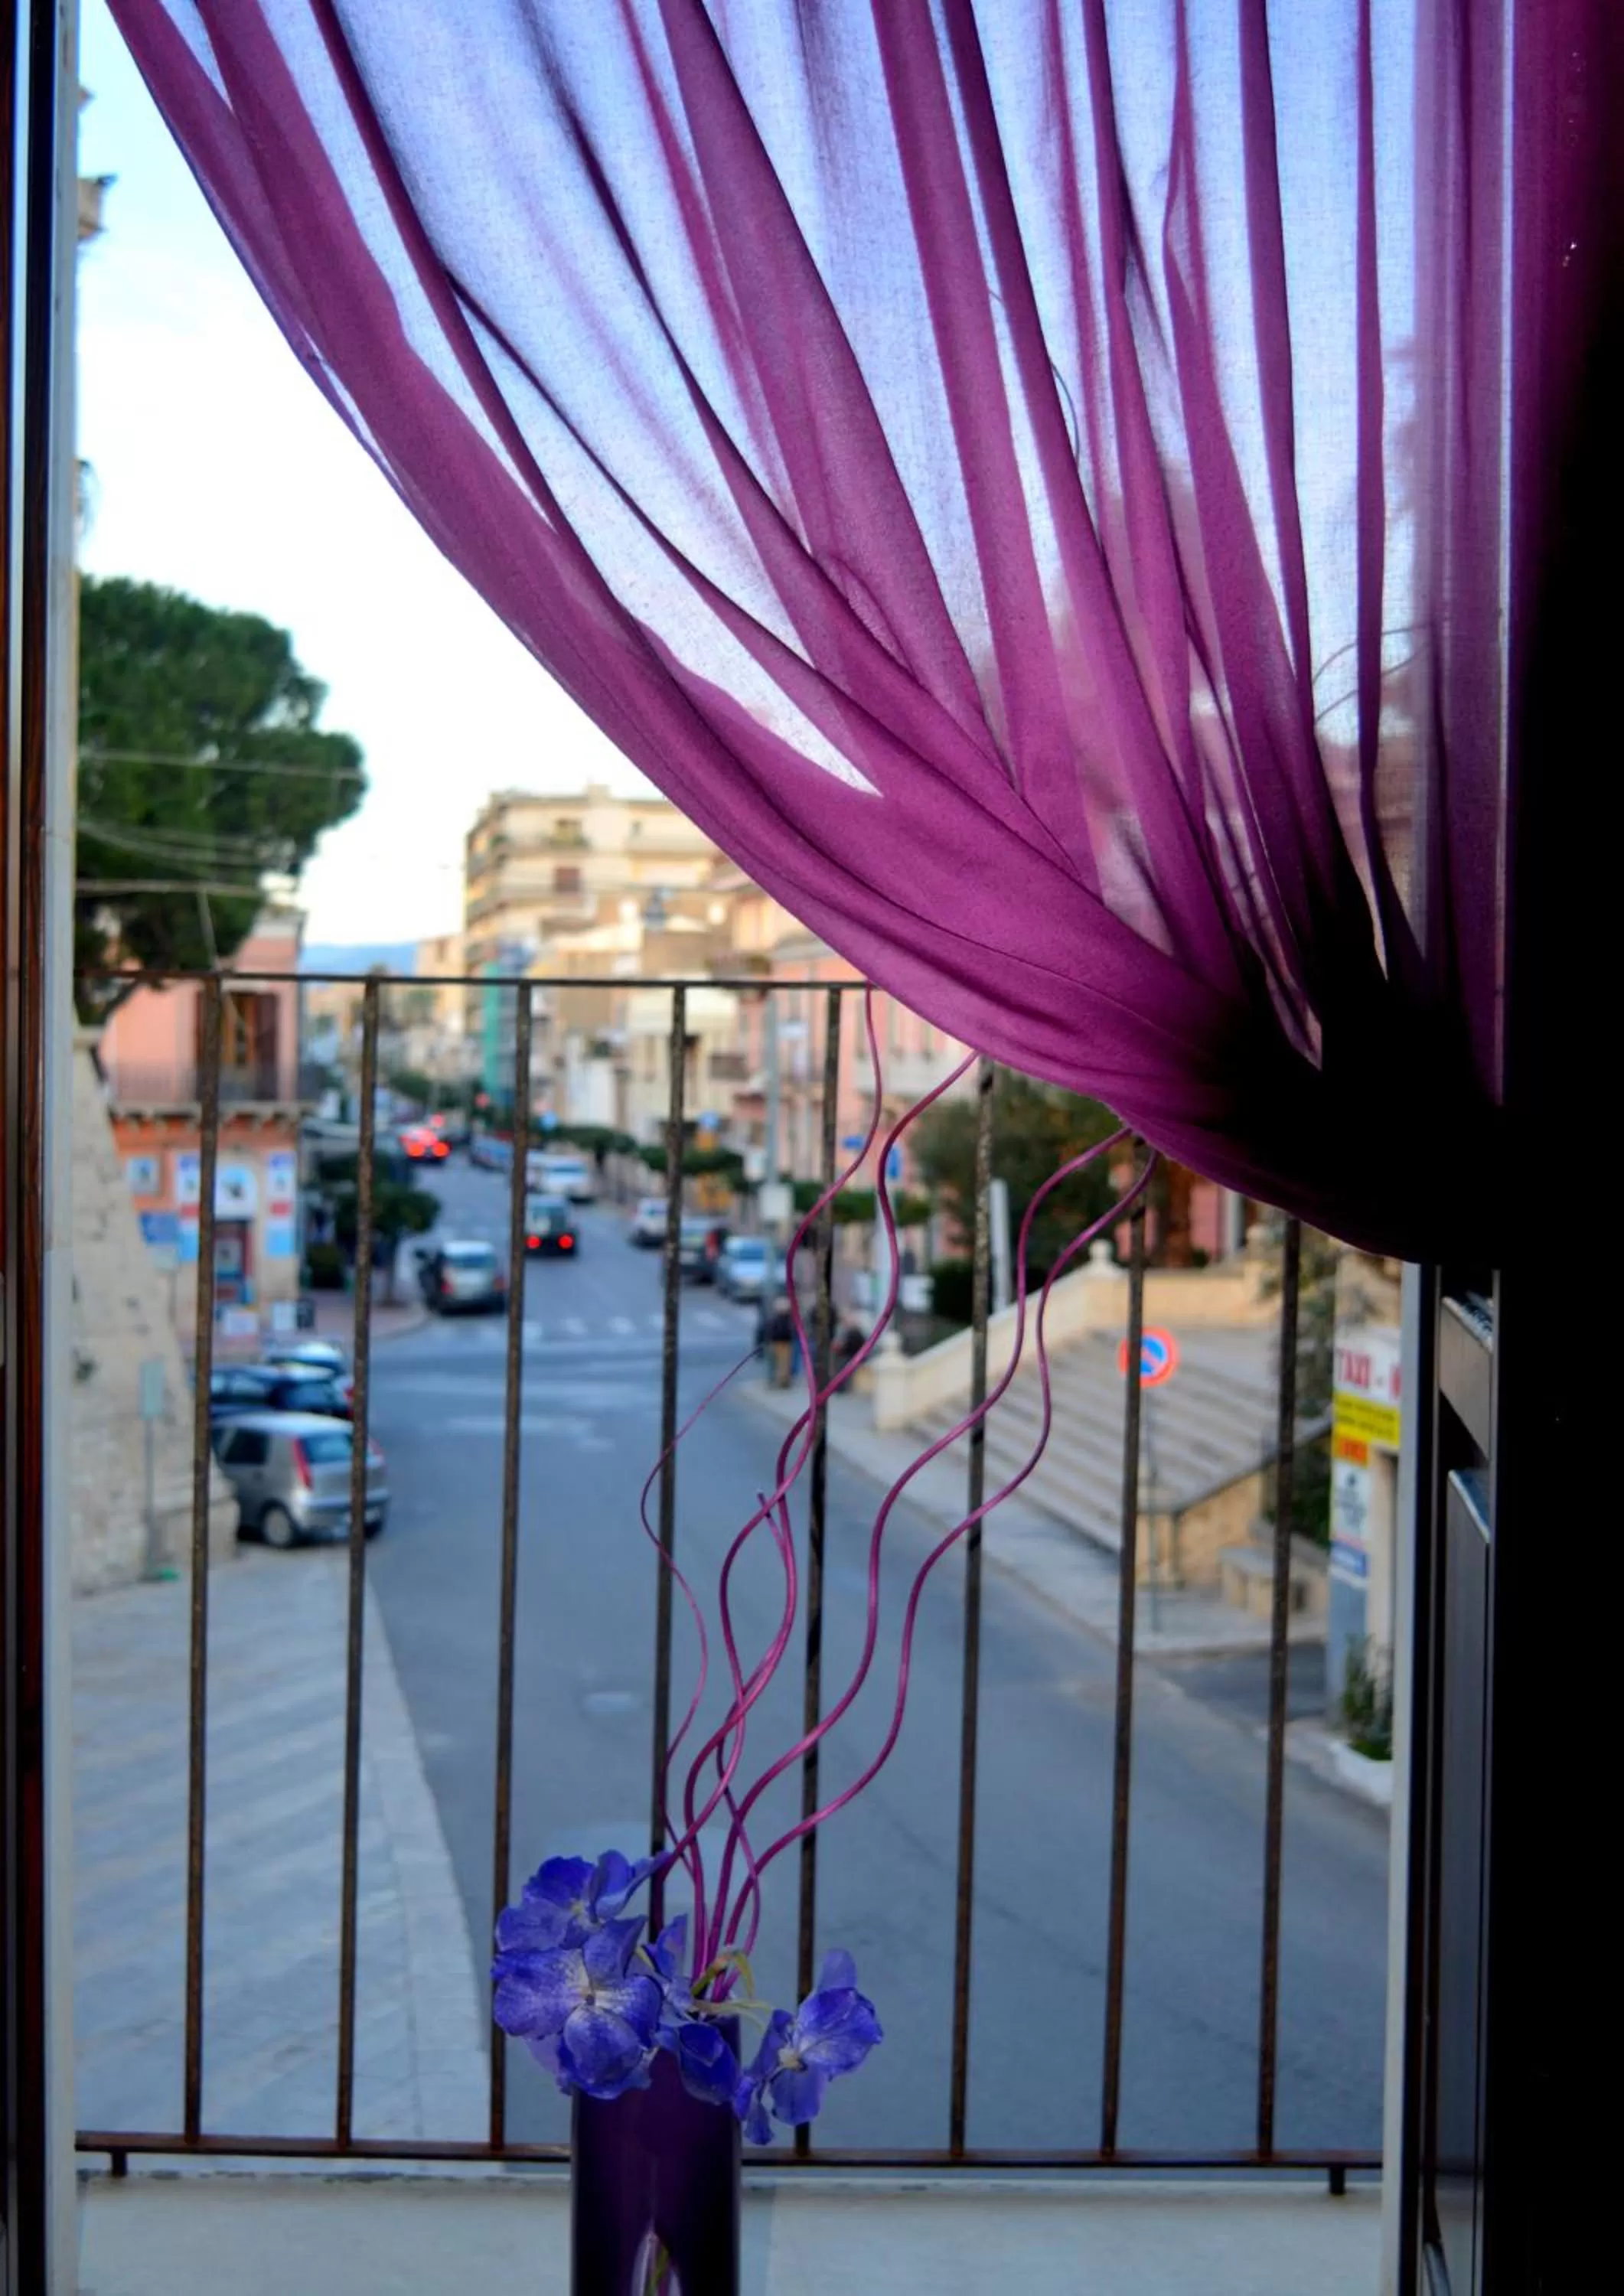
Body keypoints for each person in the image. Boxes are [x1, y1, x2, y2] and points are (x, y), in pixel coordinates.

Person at [765, 1293, 795, 1389]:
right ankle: (778, 1381)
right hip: (778, 1342)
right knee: (778, 1363)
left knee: (784, 1363)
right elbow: (771, 1330)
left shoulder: (787, 1319)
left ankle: (783, 1381)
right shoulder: (777, 1319)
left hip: (785, 1343)